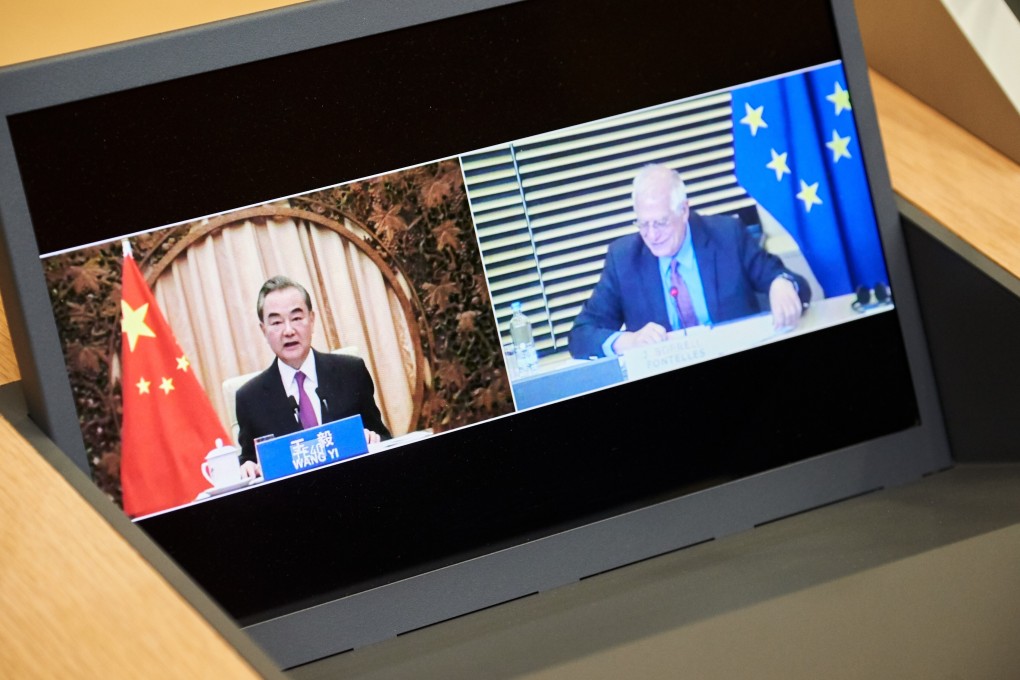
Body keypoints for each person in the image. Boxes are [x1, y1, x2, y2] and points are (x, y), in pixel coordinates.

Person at [568, 164, 811, 359]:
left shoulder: (727, 235)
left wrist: (782, 283)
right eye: (643, 224)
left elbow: (795, 283)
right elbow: (580, 336)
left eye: (661, 222)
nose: (651, 235)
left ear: (683, 210)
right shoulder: (623, 259)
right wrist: (627, 341)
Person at [236, 276, 390, 477]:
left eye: (297, 318)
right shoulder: (249, 398)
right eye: (276, 322)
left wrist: (373, 439)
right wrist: (247, 467)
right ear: (263, 330)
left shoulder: (351, 372)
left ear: (312, 319)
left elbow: (385, 438)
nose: (288, 331)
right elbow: (248, 461)